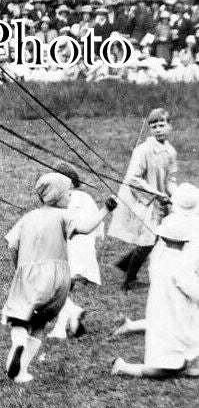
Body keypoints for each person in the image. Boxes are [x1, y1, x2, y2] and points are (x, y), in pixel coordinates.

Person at [1, 172, 89, 384]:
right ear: (58, 196)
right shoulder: (64, 216)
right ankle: (22, 370)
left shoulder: (28, 217)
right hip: (58, 278)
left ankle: (18, 345)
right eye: (68, 194)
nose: (71, 197)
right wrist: (107, 209)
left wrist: (19, 266)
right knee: (40, 324)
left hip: (29, 275)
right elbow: (85, 229)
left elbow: (12, 244)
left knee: (19, 319)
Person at [111, 182, 199, 378]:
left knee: (171, 324)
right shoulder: (185, 251)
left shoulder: (162, 252)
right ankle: (124, 366)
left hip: (164, 297)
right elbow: (191, 285)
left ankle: (183, 362)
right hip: (180, 299)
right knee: (181, 332)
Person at [110, 108, 177, 289]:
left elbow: (171, 178)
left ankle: (126, 264)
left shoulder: (170, 151)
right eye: (153, 126)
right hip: (142, 198)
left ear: (170, 126)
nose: (158, 129)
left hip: (159, 200)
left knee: (157, 238)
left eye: (162, 125)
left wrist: (173, 194)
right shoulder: (143, 150)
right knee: (149, 238)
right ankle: (129, 280)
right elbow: (133, 178)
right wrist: (156, 194)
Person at [47, 163, 115, 340]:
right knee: (60, 289)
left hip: (72, 254)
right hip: (84, 253)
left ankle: (61, 328)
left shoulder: (68, 201)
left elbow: (78, 228)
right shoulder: (85, 197)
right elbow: (97, 229)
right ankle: (73, 313)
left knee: (58, 290)